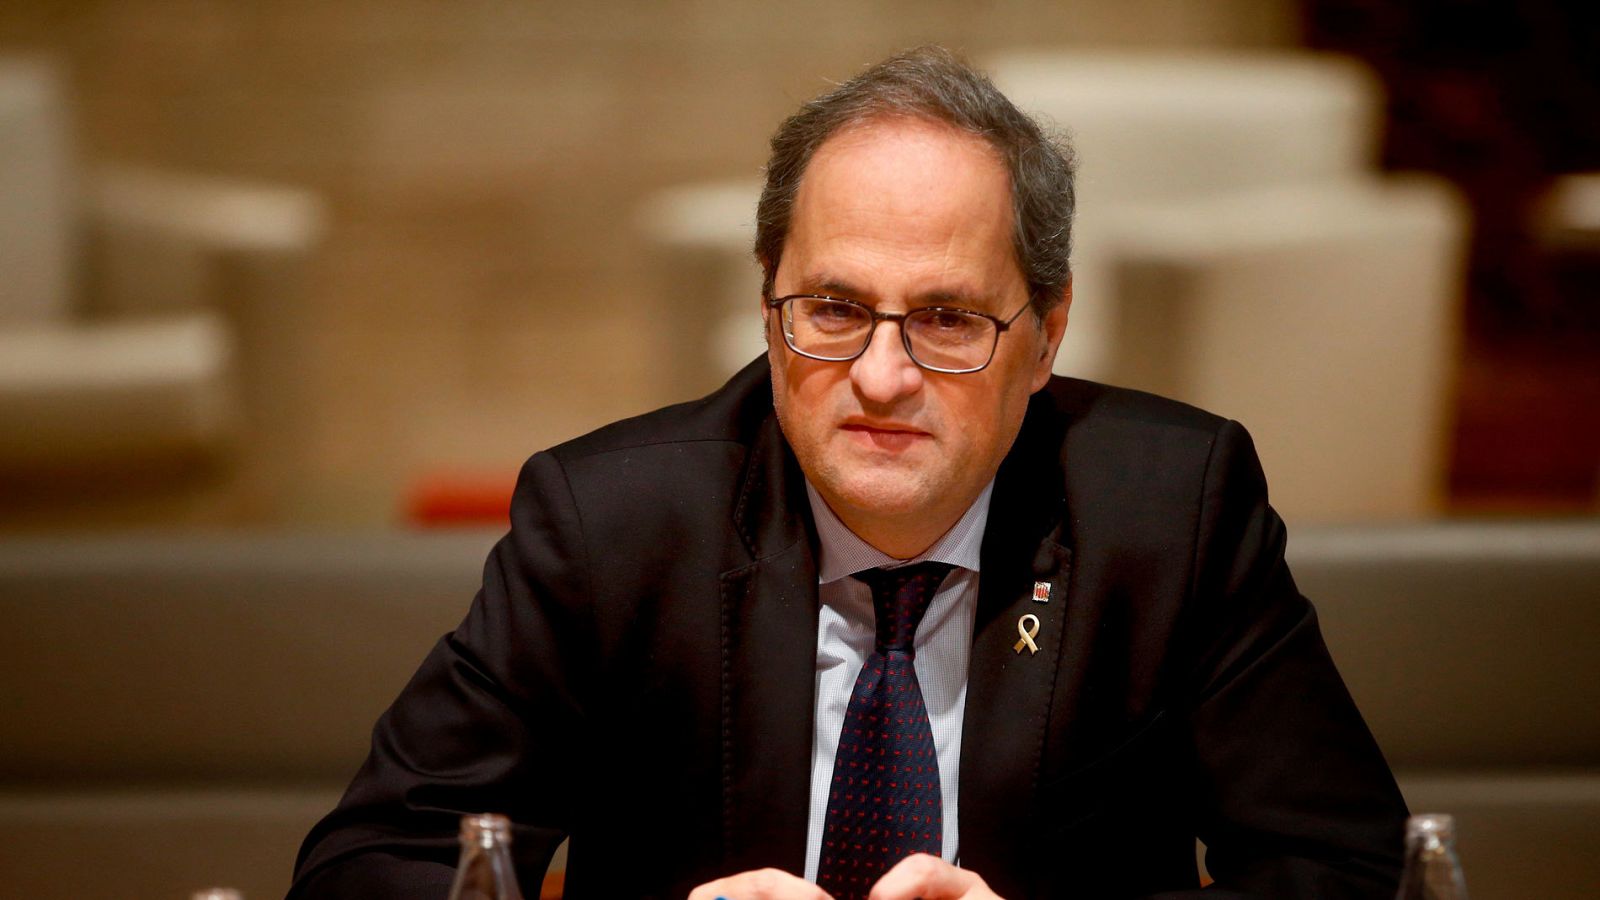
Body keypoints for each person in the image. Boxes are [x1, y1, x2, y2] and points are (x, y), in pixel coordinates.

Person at [290, 46, 1408, 899]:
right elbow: (368, 868)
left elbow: (1346, 870)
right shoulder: (611, 526)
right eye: (832, 309)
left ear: (1047, 332)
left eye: (947, 318)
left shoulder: (1171, 511)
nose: (880, 376)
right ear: (768, 298)